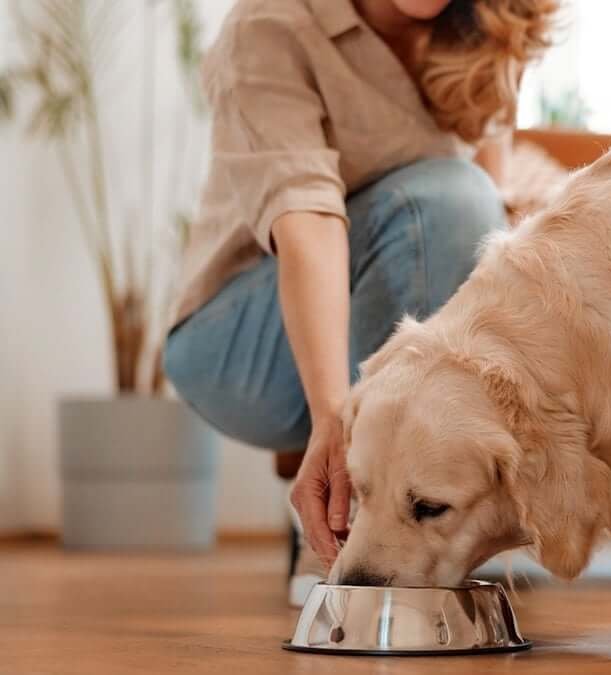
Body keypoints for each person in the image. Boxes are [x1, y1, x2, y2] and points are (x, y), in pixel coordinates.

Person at [164, 0, 557, 603]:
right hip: (239, 344)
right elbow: (308, 224)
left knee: (466, 205)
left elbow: (488, 219)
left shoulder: (493, 24)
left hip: (380, 311)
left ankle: (409, 540)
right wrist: (336, 418)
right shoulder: (271, 24)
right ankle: (346, 529)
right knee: (442, 203)